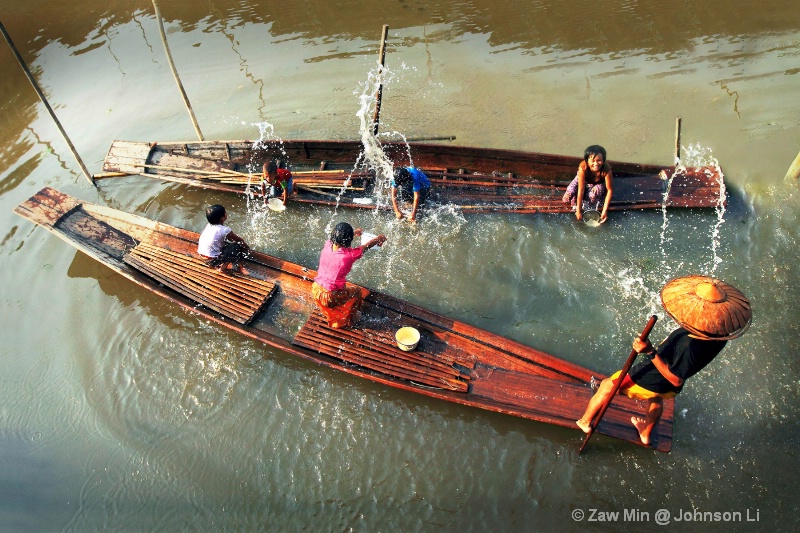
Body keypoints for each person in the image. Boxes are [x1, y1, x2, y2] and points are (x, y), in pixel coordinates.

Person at [576, 275, 751, 446]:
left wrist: (650, 352)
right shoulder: (720, 335)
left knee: (608, 386)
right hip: (665, 387)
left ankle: (584, 421)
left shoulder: (690, 346)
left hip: (656, 377)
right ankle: (645, 432)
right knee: (656, 399)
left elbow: (676, 379)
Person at [311, 222, 387, 329]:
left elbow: (339, 240)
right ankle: (351, 319)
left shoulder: (328, 244)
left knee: (342, 289)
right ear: (348, 241)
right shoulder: (348, 256)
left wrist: (355, 232)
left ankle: (337, 314)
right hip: (330, 296)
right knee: (357, 292)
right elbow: (365, 247)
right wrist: (379, 238)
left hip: (315, 289)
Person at [562, 145, 614, 223]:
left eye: (599, 160)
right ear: (587, 160)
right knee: (567, 197)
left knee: (593, 196)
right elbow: (581, 189)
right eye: (593, 161)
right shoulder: (582, 167)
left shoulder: (607, 170)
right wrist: (578, 211)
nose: (596, 164)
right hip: (584, 180)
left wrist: (604, 211)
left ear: (603, 160)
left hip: (598, 182)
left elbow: (609, 190)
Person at [197, 204, 250, 273]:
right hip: (212, 260)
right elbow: (239, 240)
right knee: (236, 246)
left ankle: (213, 263)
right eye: (225, 212)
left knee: (226, 244)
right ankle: (222, 268)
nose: (226, 213)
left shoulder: (209, 225)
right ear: (222, 218)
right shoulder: (225, 230)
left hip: (202, 257)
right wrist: (247, 248)